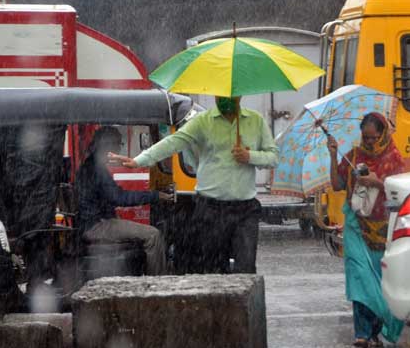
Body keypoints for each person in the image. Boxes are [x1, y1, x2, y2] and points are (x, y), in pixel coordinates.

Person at [109, 96, 278, 274]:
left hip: (245, 209)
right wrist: (138, 161)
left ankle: (243, 301)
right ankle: (216, 299)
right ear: (215, 96)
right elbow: (173, 142)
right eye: (220, 96)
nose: (224, 100)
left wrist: (250, 157)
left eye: (229, 96)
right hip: (210, 208)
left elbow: (273, 157)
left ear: (239, 96)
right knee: (211, 267)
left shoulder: (256, 121)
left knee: (246, 267)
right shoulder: (202, 122)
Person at [327, 112, 405, 348]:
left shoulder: (394, 159)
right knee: (360, 278)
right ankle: (361, 333)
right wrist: (332, 155)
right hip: (356, 227)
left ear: (382, 135)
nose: (369, 142)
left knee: (378, 284)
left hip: (383, 230)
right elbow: (338, 185)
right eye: (365, 137)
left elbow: (401, 192)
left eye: (373, 138)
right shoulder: (353, 156)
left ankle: (374, 332)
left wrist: (378, 182)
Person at [76, 126, 172, 275]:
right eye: (118, 144)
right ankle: (158, 285)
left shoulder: (91, 164)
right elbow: (119, 197)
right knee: (154, 235)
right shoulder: (96, 168)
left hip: (93, 223)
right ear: (108, 144)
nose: (119, 149)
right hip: (97, 226)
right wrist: (155, 196)